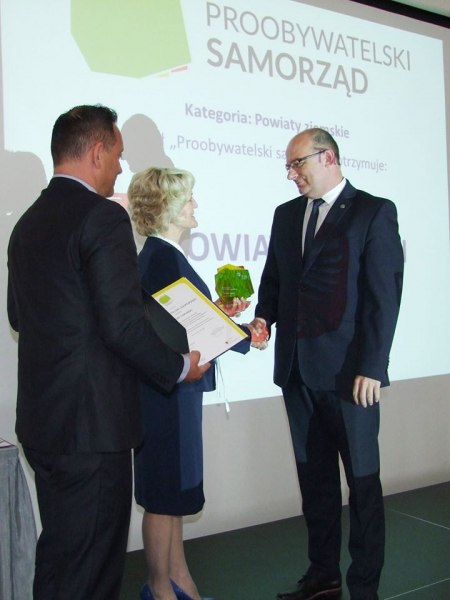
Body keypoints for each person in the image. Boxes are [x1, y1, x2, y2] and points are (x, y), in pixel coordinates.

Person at [6, 105, 209, 600]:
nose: (120, 168)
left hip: (44, 423)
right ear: (97, 152)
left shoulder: (27, 222)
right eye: (117, 155)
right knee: (92, 574)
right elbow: (122, 326)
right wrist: (179, 367)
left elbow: (17, 316)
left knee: (61, 560)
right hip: (93, 429)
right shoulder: (102, 217)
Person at [250, 128, 404, 600]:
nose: (291, 174)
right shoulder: (286, 215)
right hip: (297, 373)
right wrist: (263, 317)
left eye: (297, 163)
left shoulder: (373, 211)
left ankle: (364, 587)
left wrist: (372, 366)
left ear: (329, 158)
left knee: (362, 484)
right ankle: (323, 576)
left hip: (351, 377)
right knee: (314, 483)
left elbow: (383, 296)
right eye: (289, 166)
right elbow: (275, 280)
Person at [127, 166, 266, 600]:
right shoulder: (161, 258)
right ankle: (159, 587)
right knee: (162, 494)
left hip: (173, 392)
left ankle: (178, 578)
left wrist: (224, 314)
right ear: (168, 206)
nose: (194, 204)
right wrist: (246, 335)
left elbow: (188, 321)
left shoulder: (163, 255)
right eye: (188, 198)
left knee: (173, 492)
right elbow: (192, 327)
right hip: (164, 394)